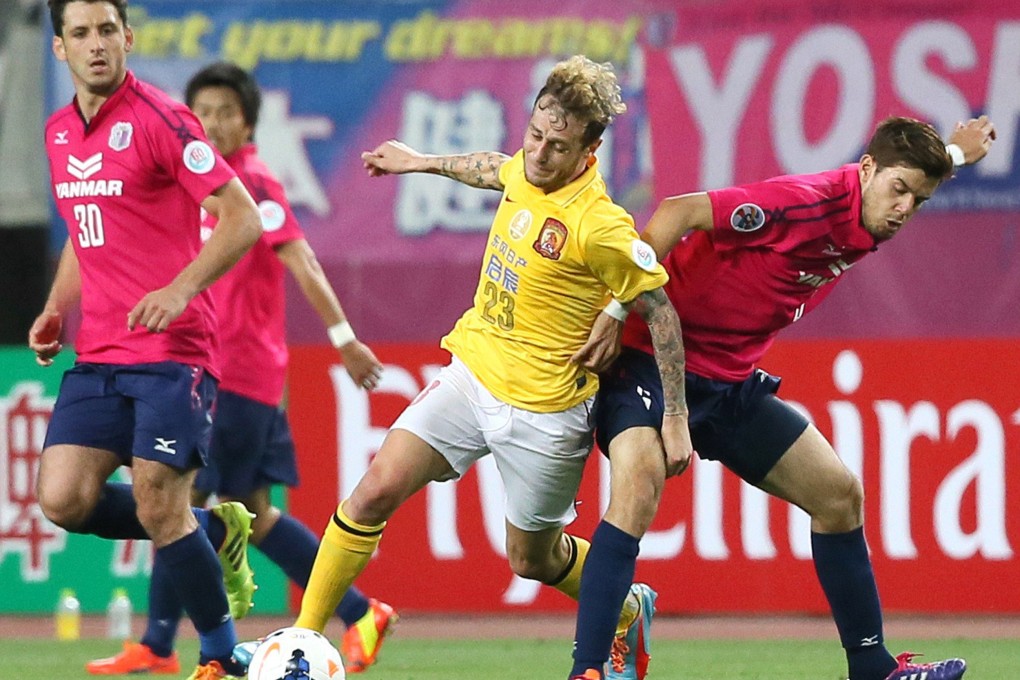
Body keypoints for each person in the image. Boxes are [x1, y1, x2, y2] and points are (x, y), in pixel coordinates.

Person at [276, 55, 692, 680]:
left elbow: (662, 312)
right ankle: (304, 644)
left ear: (590, 148)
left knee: (530, 557)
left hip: (547, 412)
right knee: (374, 490)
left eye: (558, 146)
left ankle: (626, 607)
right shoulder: (527, 167)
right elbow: (490, 170)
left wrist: (677, 417)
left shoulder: (600, 225)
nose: (540, 154)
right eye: (535, 135)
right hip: (472, 374)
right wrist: (417, 159)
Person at [569, 115, 996, 680]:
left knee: (839, 496)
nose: (903, 210)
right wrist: (618, 306)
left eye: (917, 202)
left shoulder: (882, 193)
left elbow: (910, 167)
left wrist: (957, 153)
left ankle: (873, 668)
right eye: (898, 192)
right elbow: (678, 210)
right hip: (652, 359)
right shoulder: (801, 204)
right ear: (866, 170)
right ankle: (588, 670)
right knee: (640, 484)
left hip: (728, 383)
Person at [84, 61, 398, 677]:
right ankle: (361, 611)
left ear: (249, 120)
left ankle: (165, 641)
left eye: (228, 112)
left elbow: (301, 259)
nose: (215, 123)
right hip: (210, 371)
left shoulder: (251, 181)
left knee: (180, 499)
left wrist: (344, 338)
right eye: (204, 112)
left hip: (239, 375)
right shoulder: (189, 188)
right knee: (245, 507)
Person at [30, 2, 263, 679]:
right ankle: (214, 532)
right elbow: (86, 226)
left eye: (107, 31)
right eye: (81, 34)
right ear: (60, 49)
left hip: (174, 350)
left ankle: (222, 657)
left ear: (127, 38)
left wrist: (180, 288)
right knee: (63, 499)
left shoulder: (162, 119)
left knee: (160, 498)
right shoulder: (57, 135)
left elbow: (240, 218)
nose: (96, 45)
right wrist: (54, 306)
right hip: (99, 353)